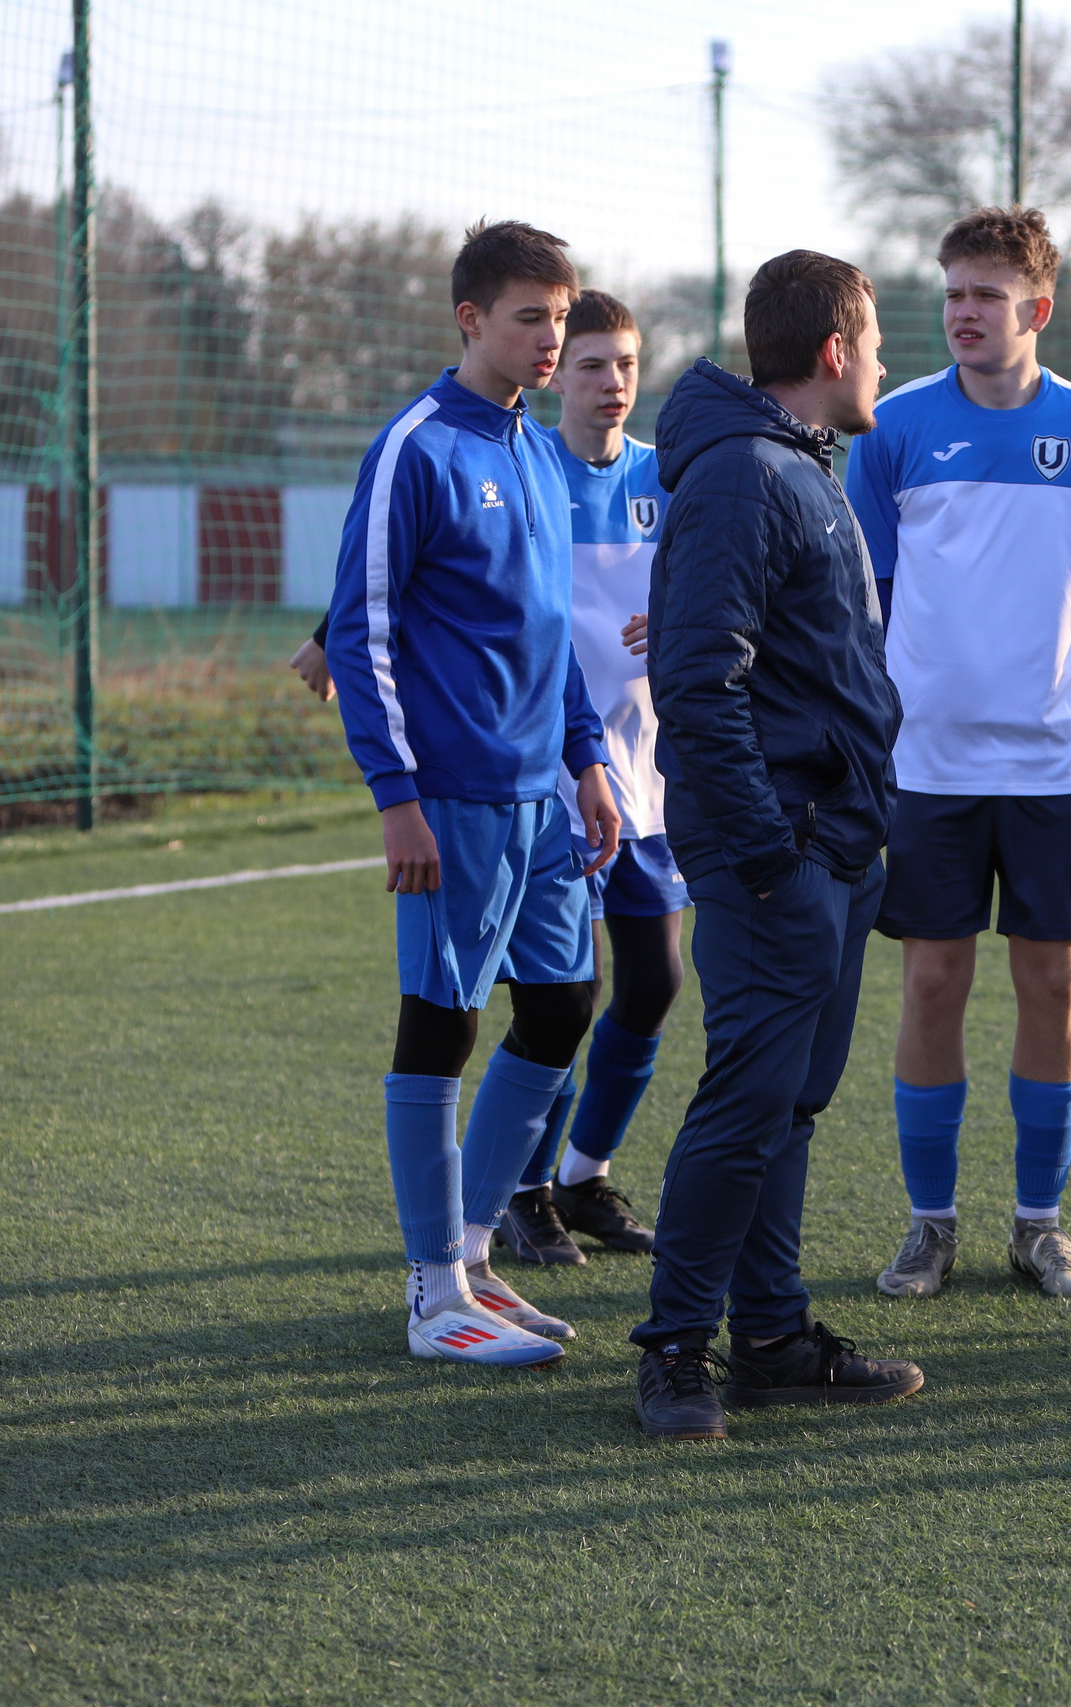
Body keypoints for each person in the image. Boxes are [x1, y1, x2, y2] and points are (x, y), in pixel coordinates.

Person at [630, 249, 923, 1441]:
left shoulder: (801, 464)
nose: (888, 361)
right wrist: (763, 851)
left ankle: (772, 1338)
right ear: (836, 353)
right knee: (746, 1103)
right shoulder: (750, 474)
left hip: (836, 844)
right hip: (781, 852)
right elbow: (697, 682)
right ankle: (671, 1349)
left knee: (788, 1107)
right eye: (879, 340)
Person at [320, 219, 620, 1369]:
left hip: (544, 796)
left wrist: (588, 760)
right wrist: (395, 793)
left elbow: (558, 637)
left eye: (562, 314)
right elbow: (362, 631)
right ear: (470, 321)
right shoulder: (415, 447)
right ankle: (430, 1292)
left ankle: (475, 1252)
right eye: (530, 317)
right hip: (446, 794)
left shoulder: (541, 452)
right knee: (440, 1023)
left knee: (559, 1007)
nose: (552, 338)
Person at [843, 207, 1071, 1303]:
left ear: (1037, 310)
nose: (963, 313)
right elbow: (868, 593)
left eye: (986, 296)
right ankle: (928, 1225)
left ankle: (1039, 1224)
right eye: (952, 293)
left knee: (1052, 981)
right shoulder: (894, 425)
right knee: (930, 981)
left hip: (1055, 763)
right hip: (926, 765)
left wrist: (1033, 682)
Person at [489, 288, 675, 1268]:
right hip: (554, 778)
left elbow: (720, 585)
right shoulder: (523, 471)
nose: (611, 382)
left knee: (654, 983)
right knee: (564, 998)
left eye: (626, 366)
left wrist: (680, 621)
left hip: (648, 775)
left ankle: (584, 1174)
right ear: (558, 371)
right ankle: (523, 1193)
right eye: (593, 363)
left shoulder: (667, 479)